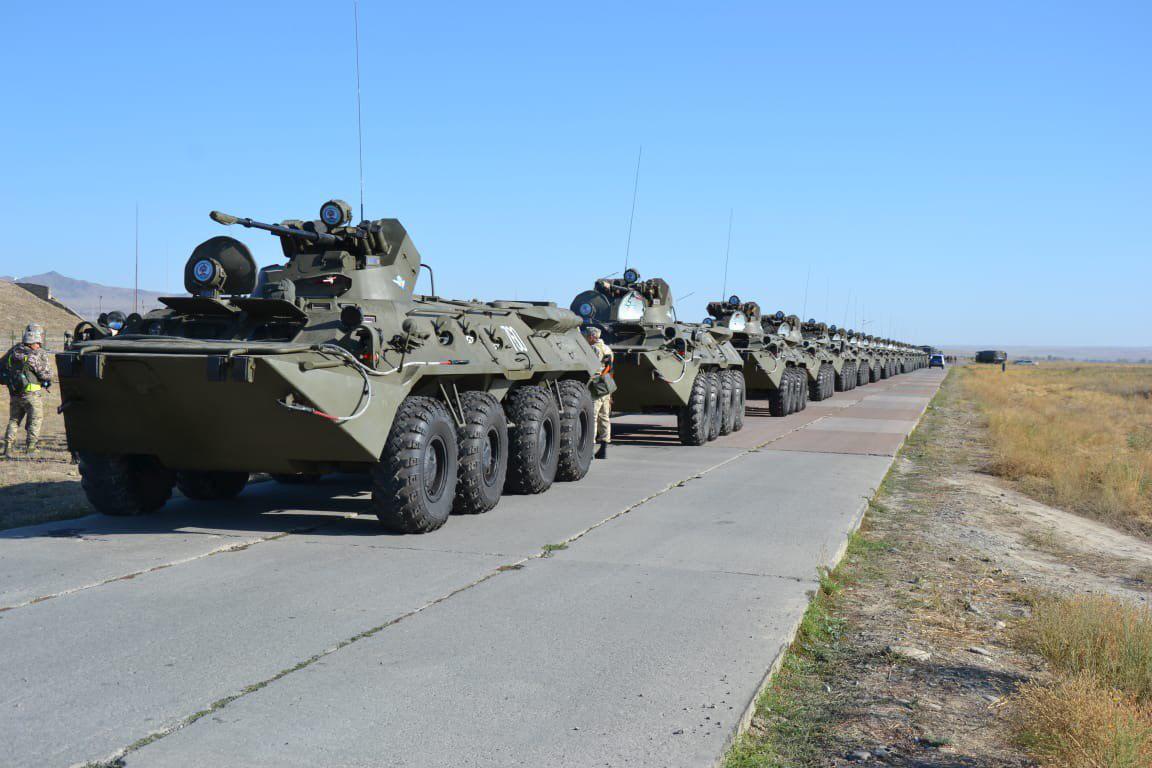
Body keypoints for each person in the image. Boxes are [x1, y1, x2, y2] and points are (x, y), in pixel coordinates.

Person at [2, 325, 54, 457]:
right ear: (32, 343)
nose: (39, 345)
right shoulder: (33, 355)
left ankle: (8, 447)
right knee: (35, 419)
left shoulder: (13, 352)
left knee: (14, 420)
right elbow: (45, 375)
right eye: (37, 343)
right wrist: (48, 378)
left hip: (15, 393)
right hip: (32, 394)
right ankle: (31, 447)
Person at [583, 325, 613, 459]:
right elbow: (610, 367)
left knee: (593, 417)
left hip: (595, 385)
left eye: (587, 336)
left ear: (591, 337)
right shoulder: (607, 348)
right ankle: (604, 447)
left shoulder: (594, 348)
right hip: (606, 385)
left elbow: (591, 367)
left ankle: (590, 449)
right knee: (605, 417)